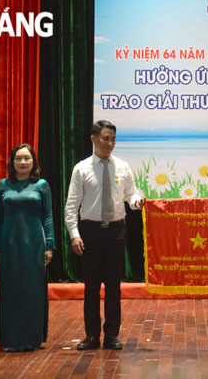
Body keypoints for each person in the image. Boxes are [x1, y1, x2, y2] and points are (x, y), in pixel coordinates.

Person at [65, 120, 143, 350]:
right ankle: (91, 336)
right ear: (93, 139)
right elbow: (71, 205)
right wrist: (74, 234)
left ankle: (111, 335)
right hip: (89, 232)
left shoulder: (122, 166)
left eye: (113, 139)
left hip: (117, 231)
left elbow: (132, 192)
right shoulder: (81, 168)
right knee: (91, 287)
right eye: (105, 138)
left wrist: (137, 201)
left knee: (113, 287)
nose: (109, 143)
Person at [0, 143, 55, 351]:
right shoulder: (2, 185)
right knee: (9, 290)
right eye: (18, 158)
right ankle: (9, 339)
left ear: (33, 162)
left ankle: (31, 337)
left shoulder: (42, 185)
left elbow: (47, 217)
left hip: (34, 244)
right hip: (8, 245)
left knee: (32, 290)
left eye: (27, 158)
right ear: (12, 162)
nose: (23, 162)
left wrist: (50, 245)